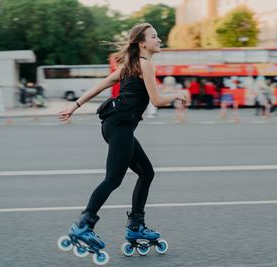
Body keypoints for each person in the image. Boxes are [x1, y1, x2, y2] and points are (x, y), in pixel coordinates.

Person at [57, 23, 187, 258]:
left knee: (147, 172)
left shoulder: (130, 66)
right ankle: (84, 225)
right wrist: (177, 94)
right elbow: (156, 101)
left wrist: (74, 106)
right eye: (154, 36)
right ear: (142, 43)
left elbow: (101, 85)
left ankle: (136, 226)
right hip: (120, 126)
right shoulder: (146, 65)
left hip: (115, 125)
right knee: (113, 179)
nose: (159, 40)